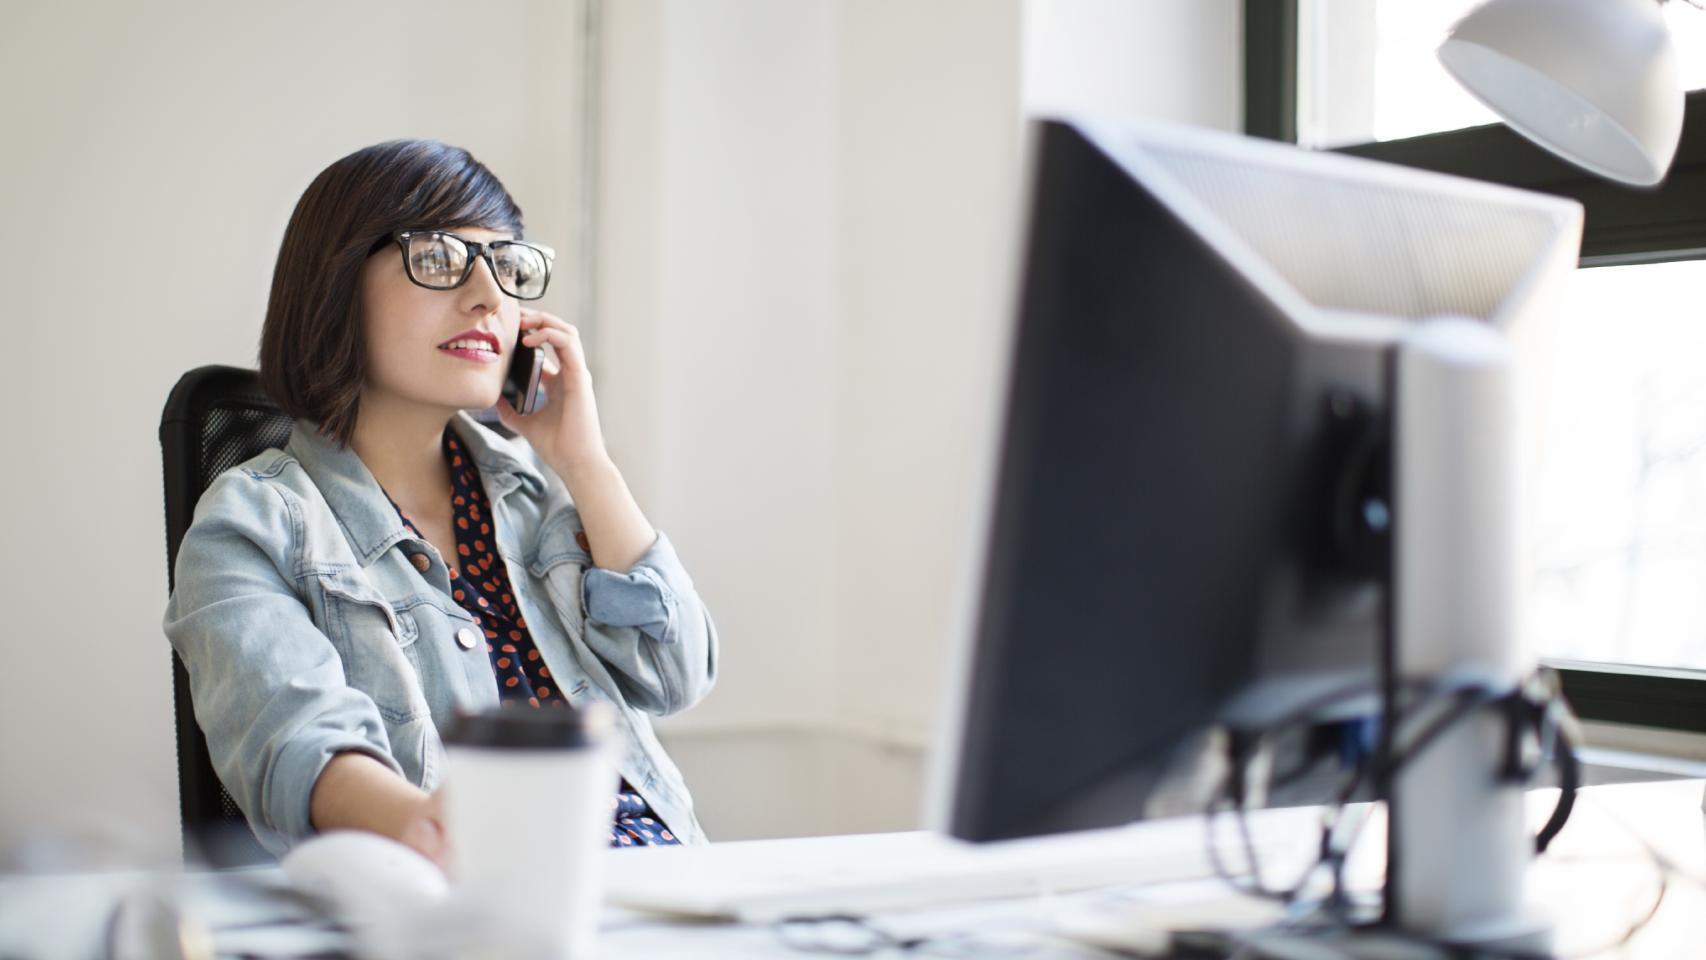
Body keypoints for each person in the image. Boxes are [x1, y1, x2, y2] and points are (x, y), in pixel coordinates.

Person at [162, 139, 718, 866]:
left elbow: (672, 674)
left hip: (671, 886)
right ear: (336, 285)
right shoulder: (250, 525)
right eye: (439, 258)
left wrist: (585, 460)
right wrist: (428, 827)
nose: (489, 297)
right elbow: (299, 745)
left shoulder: (528, 491)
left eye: (508, 267)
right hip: (473, 907)